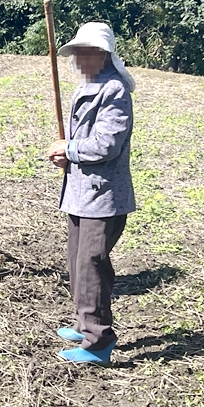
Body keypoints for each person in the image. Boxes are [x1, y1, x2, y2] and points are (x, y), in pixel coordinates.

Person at [46, 21, 137, 365]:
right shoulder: (90, 85)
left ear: (102, 54)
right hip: (80, 193)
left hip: (103, 197)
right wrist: (66, 156)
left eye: (85, 52)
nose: (78, 59)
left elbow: (107, 144)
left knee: (91, 266)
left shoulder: (114, 90)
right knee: (77, 262)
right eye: (77, 53)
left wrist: (69, 149)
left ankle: (98, 341)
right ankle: (84, 323)